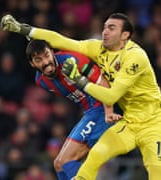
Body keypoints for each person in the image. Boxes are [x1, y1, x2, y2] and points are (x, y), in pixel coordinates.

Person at [0, 13, 161, 180]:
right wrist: (22, 29)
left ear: (125, 35)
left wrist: (80, 82)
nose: (105, 31)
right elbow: (59, 40)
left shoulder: (135, 57)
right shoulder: (96, 48)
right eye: (104, 27)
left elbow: (111, 95)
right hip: (128, 120)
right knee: (68, 162)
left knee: (158, 177)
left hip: (151, 122)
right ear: (32, 63)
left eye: (111, 28)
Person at [23, 39, 121, 180]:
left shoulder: (72, 60)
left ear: (52, 52)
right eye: (38, 60)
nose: (45, 62)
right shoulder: (41, 81)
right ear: (32, 64)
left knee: (66, 161)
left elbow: (104, 85)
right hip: (90, 112)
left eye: (46, 55)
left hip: (103, 108)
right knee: (58, 164)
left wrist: (109, 112)